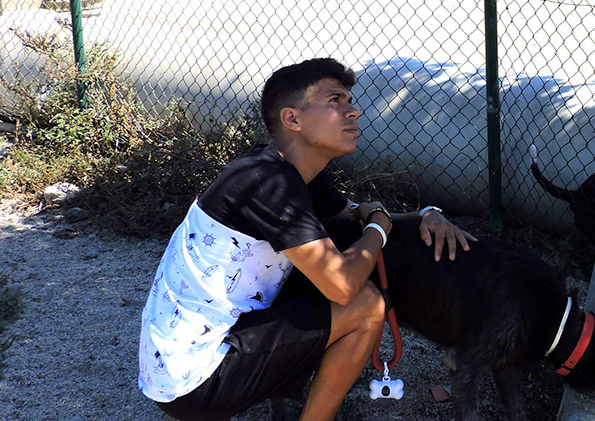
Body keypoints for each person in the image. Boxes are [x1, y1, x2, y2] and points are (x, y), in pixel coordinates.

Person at [137, 58, 475, 421]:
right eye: (335, 101)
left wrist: (426, 215)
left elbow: (356, 216)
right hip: (196, 382)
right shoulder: (269, 184)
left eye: (349, 100)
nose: (353, 111)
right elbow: (344, 285)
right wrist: (378, 227)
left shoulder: (288, 174)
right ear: (292, 119)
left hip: (195, 361)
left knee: (345, 246)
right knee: (362, 304)